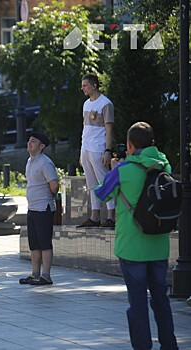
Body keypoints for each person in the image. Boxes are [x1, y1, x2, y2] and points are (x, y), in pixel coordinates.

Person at [94, 122, 178, 349]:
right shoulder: (164, 167)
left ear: (130, 145)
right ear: (152, 143)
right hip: (158, 245)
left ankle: (142, 346)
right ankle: (170, 344)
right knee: (161, 298)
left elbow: (101, 193)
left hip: (131, 246)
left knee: (138, 301)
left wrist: (113, 168)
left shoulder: (123, 170)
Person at [19, 132, 59, 286]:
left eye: (33, 141)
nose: (29, 143)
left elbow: (54, 185)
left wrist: (49, 195)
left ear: (42, 146)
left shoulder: (45, 162)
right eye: (29, 140)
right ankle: (35, 273)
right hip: (33, 208)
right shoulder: (30, 161)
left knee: (44, 243)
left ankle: (46, 276)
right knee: (34, 244)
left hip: (44, 208)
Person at [78, 73, 116, 228]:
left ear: (94, 85)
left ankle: (111, 216)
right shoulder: (86, 104)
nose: (83, 88)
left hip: (98, 147)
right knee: (92, 184)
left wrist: (108, 150)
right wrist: (81, 151)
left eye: (85, 85)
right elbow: (85, 128)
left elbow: (109, 128)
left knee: (104, 182)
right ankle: (94, 216)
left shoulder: (105, 103)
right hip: (86, 148)